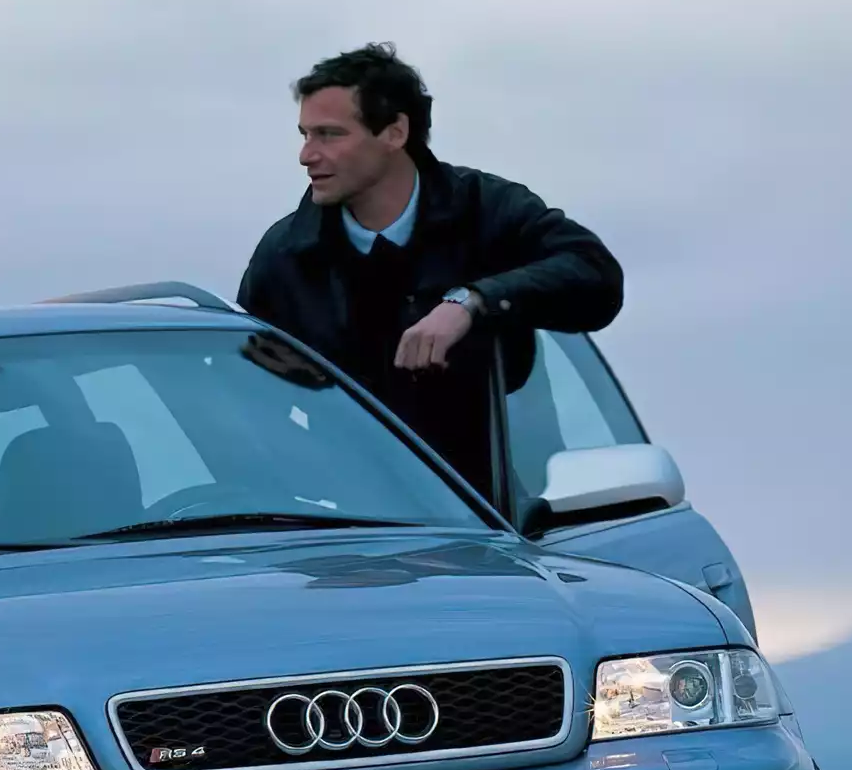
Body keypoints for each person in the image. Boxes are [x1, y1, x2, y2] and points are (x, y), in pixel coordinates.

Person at [238, 43, 624, 508]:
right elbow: (247, 406)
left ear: (395, 132)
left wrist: (471, 303)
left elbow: (596, 276)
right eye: (305, 134)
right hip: (349, 526)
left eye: (329, 135)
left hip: (503, 520)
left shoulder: (486, 210)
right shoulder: (284, 256)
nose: (306, 155)